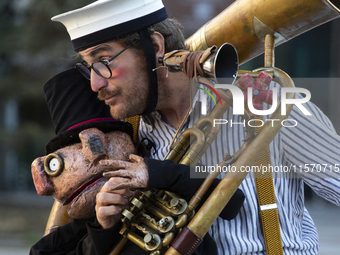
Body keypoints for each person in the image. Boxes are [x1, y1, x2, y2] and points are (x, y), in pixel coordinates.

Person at [50, 0, 340, 254]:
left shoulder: (269, 105)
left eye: (103, 61)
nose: (94, 83)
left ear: (154, 47)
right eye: (88, 67)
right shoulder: (126, 134)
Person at [30, 68, 244, 255]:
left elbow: (231, 200)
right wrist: (103, 229)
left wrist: (156, 173)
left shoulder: (160, 173)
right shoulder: (86, 223)